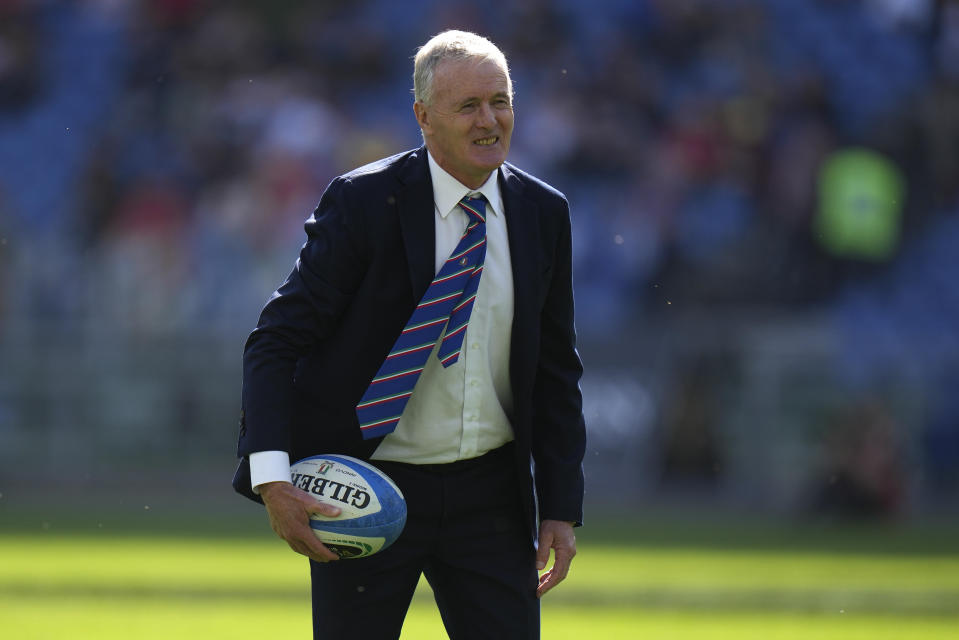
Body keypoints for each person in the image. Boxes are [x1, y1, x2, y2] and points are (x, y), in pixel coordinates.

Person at [232, 30, 586, 639]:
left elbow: (554, 368)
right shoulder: (364, 201)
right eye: (468, 105)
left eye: (500, 102)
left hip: (490, 497)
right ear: (423, 117)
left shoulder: (542, 211)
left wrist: (559, 506)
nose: (489, 120)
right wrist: (272, 477)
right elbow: (275, 341)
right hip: (362, 488)